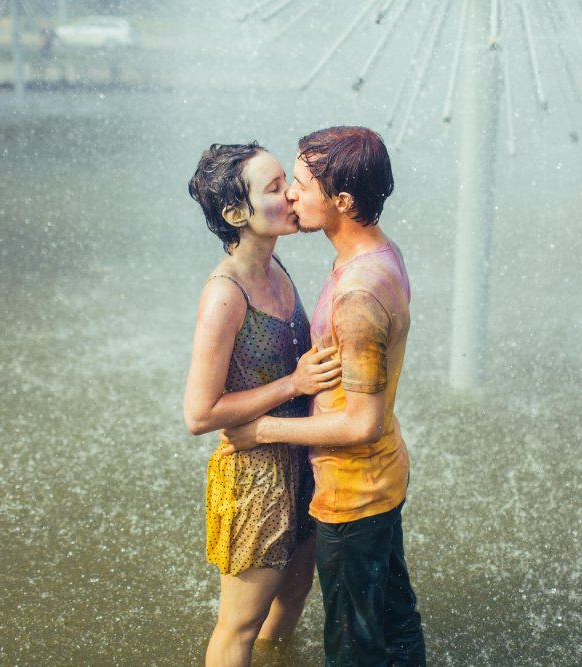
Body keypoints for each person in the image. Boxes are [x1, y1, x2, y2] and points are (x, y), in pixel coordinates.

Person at [222, 126, 426, 666]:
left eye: (302, 184)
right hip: (379, 481)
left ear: (341, 202)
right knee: (394, 624)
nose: (290, 193)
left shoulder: (358, 294)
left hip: (353, 496)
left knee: (355, 650)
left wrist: (263, 429)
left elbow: (361, 422)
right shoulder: (381, 253)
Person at [183, 142, 342, 667]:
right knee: (239, 626)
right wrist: (294, 385)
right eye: (275, 189)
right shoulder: (225, 295)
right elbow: (199, 414)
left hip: (301, 459)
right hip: (254, 477)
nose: (292, 195)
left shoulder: (277, 268)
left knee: (293, 598)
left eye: (286, 183)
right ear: (235, 214)